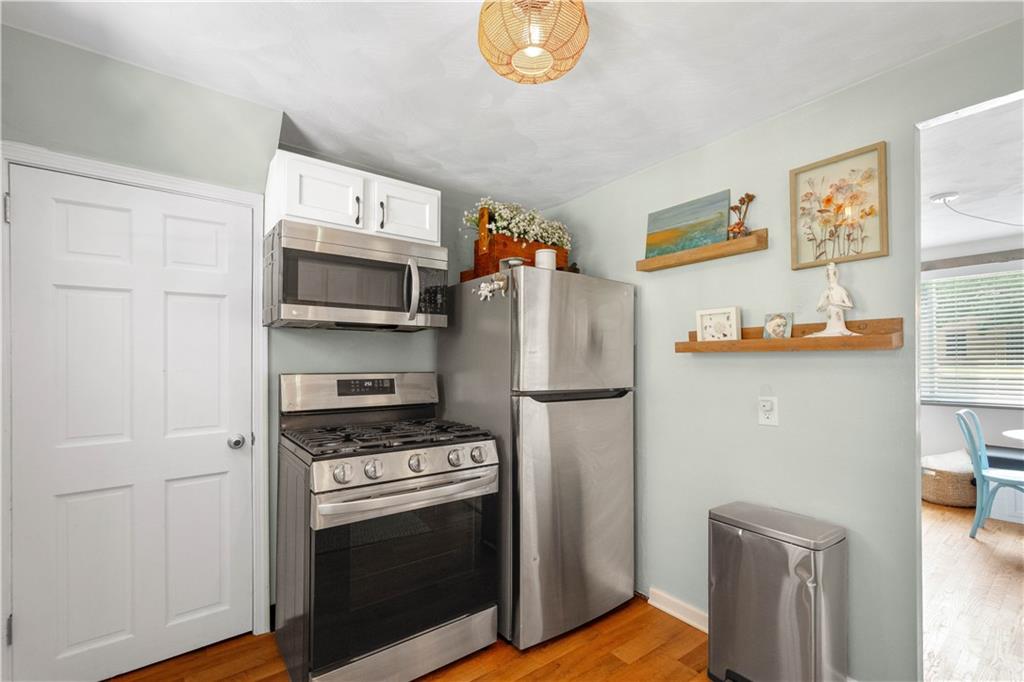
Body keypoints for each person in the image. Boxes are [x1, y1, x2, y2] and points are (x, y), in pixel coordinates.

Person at [807, 262, 859, 337]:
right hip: (828, 327)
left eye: (830, 273)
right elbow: (818, 308)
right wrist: (827, 303)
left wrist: (834, 303)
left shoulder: (841, 290)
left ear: (836, 274)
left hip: (840, 327)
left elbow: (850, 306)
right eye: (827, 274)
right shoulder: (825, 292)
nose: (829, 276)